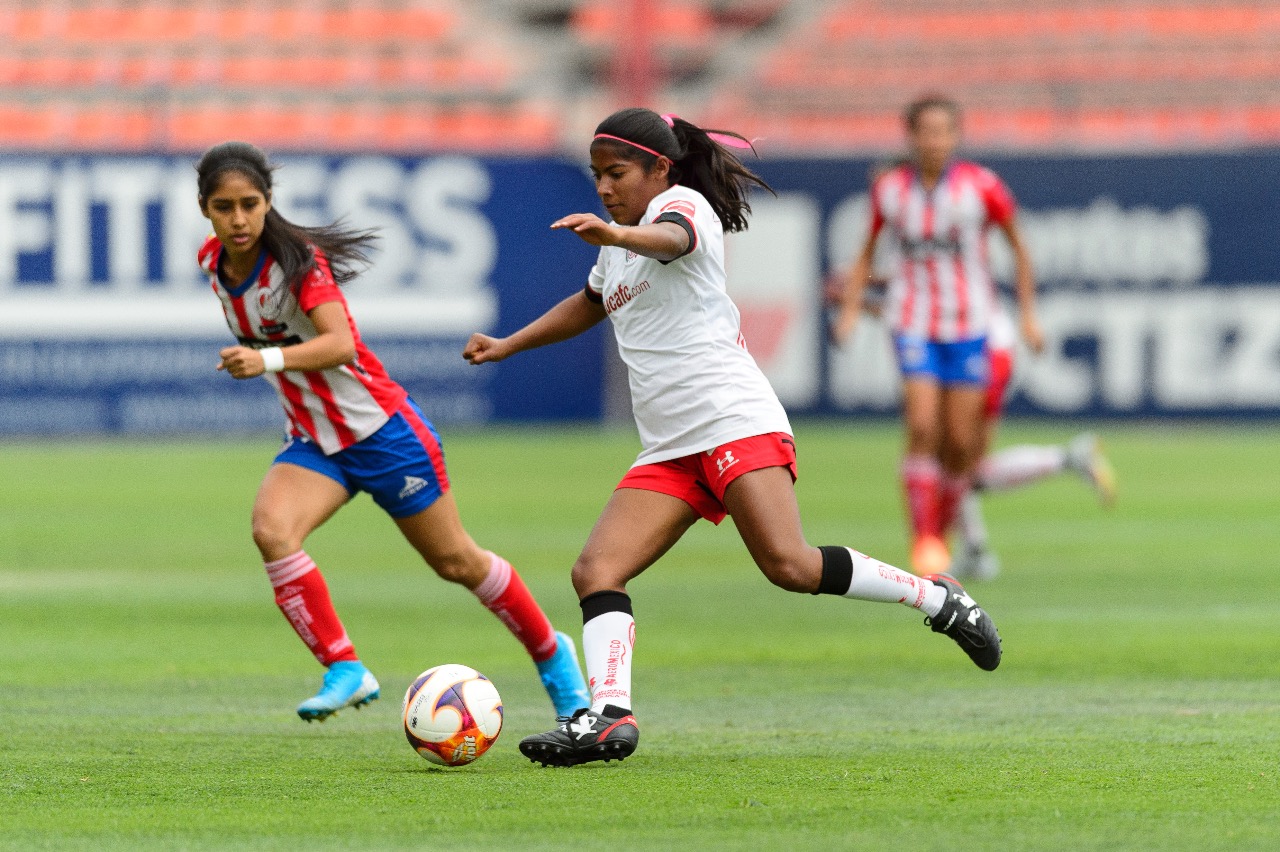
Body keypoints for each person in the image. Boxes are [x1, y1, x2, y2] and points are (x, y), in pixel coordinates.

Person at [462, 108, 1002, 769]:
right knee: (596, 570)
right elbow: (590, 302)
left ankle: (938, 598)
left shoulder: (683, 207)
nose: (604, 187)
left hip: (731, 420)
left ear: (659, 168)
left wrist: (617, 231)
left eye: (618, 173)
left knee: (789, 566)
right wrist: (510, 345)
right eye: (597, 175)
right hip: (669, 443)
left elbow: (673, 239)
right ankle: (609, 718)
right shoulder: (617, 242)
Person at [195, 141, 589, 722]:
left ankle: (554, 656)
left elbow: (341, 344)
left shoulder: (297, 262)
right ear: (205, 208)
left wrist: (267, 361)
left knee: (457, 562)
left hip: (383, 432)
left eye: (249, 204)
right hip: (316, 440)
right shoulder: (215, 264)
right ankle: (345, 668)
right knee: (272, 530)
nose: (238, 219)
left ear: (268, 201)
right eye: (224, 207)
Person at [831, 94, 1044, 576]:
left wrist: (1029, 317)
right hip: (914, 323)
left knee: (961, 443)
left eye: (944, 131)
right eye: (926, 131)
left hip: (970, 325)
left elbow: (1020, 250)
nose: (935, 141)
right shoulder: (890, 190)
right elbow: (867, 252)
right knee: (923, 426)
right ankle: (924, 540)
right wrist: (849, 310)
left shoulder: (981, 187)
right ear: (911, 136)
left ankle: (941, 537)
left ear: (956, 136)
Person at [949, 306, 1117, 580]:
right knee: (958, 466)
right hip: (976, 344)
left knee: (956, 464)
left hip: (974, 347)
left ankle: (975, 553)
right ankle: (973, 551)